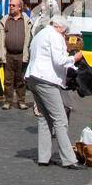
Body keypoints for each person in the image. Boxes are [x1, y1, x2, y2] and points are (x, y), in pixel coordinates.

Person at [25, 15, 79, 168]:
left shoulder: (40, 34)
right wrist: (74, 58)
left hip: (33, 77)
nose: (65, 35)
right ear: (60, 28)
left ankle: (44, 157)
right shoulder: (55, 36)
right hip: (46, 80)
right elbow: (59, 60)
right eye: (65, 32)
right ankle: (69, 159)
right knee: (60, 119)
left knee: (44, 117)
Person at [0, 0, 31, 110]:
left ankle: (21, 101)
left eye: (13, 5)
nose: (11, 7)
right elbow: (0, 38)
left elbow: (30, 37)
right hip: (8, 54)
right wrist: (1, 53)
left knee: (21, 79)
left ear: (20, 7)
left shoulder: (26, 20)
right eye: (10, 5)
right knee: (8, 80)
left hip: (21, 54)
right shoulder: (5, 20)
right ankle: (8, 101)